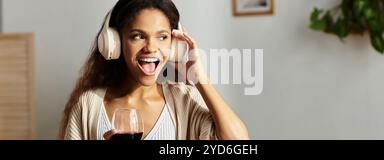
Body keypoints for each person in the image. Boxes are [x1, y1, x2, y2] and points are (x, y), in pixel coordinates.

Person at [59, 0, 249, 140]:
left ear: (174, 44)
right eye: (137, 36)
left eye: (162, 37)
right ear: (114, 42)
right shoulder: (89, 105)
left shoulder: (185, 100)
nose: (151, 47)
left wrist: (198, 78)